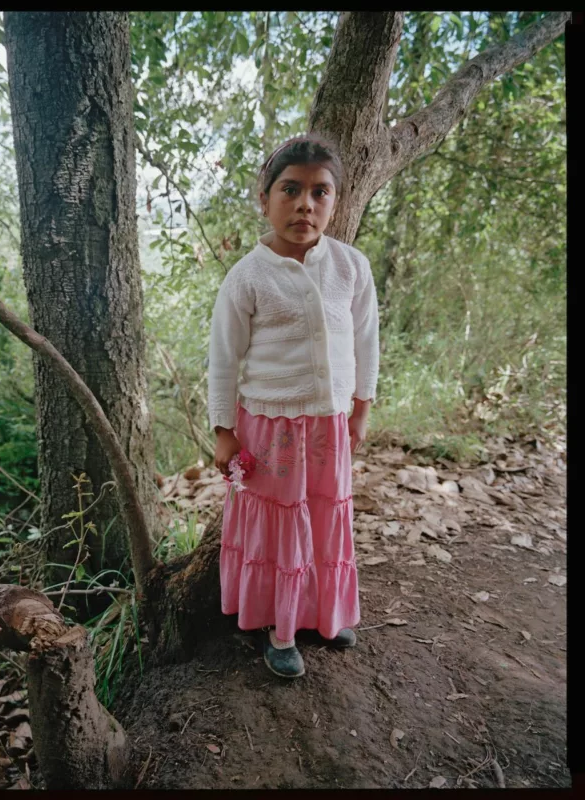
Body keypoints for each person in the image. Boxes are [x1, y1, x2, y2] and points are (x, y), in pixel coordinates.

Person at [207, 133, 379, 679]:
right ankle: (280, 632)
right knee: (281, 527)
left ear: (335, 202)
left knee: (326, 515)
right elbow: (223, 359)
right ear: (265, 199)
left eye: (320, 193)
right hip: (269, 428)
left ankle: (325, 615)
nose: (306, 204)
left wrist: (361, 407)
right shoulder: (247, 277)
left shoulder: (351, 268)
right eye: (291, 190)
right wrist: (223, 430)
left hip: (329, 425)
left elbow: (366, 342)